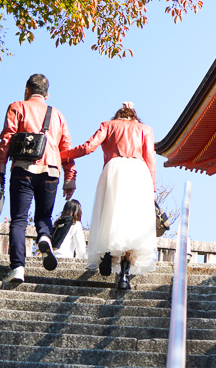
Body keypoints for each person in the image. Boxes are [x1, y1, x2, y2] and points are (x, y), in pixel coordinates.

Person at [62, 102, 156, 290]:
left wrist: (63, 154)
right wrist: (152, 188)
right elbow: (150, 159)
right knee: (133, 223)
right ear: (134, 117)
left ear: (118, 116)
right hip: (139, 172)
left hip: (114, 169)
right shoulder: (145, 129)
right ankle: (124, 274)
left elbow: (89, 147)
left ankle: (107, 252)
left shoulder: (108, 125)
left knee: (111, 215)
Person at [0, 74, 75, 286]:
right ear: (47, 94)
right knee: (44, 216)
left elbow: (6, 139)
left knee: (20, 220)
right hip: (51, 172)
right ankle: (44, 238)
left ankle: (18, 268)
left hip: (24, 169)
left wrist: (0, 171)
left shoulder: (17, 107)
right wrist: (70, 178)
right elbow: (66, 150)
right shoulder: (57, 115)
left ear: (27, 90)